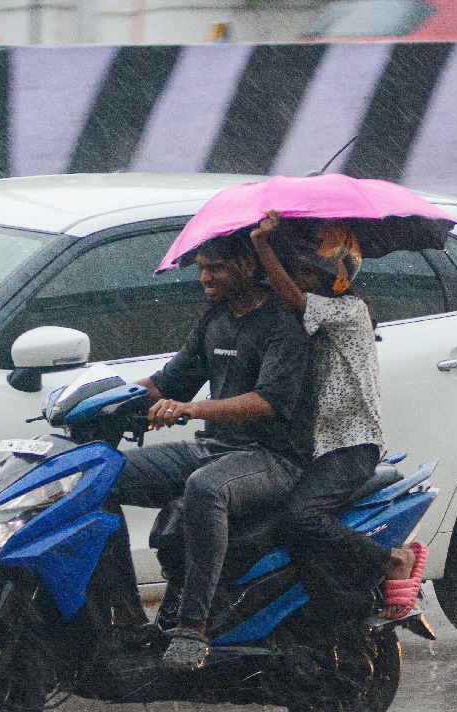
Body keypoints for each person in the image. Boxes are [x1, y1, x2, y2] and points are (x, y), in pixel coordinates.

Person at [99, 231, 315, 671]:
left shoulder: (283, 324)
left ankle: (192, 628)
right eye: (200, 268)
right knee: (100, 476)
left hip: (273, 458)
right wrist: (100, 399)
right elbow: (167, 383)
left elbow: (267, 402)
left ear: (249, 266)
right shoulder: (214, 319)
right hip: (214, 448)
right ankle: (128, 612)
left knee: (204, 489)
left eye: (215, 267)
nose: (204, 277)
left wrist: (191, 408)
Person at [249, 211, 426, 622]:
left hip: (353, 443)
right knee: (281, 525)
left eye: (305, 274)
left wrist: (262, 246)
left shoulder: (348, 311)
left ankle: (392, 561)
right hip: (325, 444)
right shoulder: (320, 318)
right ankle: (331, 609)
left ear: (336, 277)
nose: (295, 282)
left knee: (302, 518)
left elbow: (294, 299)